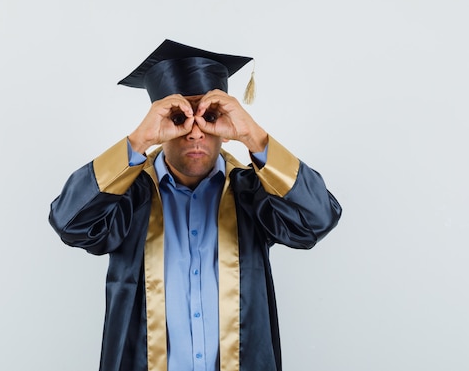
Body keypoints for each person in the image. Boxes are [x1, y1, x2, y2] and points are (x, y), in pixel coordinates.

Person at [49, 39, 342, 371]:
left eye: (210, 116)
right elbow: (70, 223)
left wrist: (254, 137)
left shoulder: (251, 190)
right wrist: (137, 141)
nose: (195, 132)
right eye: (178, 118)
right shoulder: (129, 194)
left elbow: (317, 219)